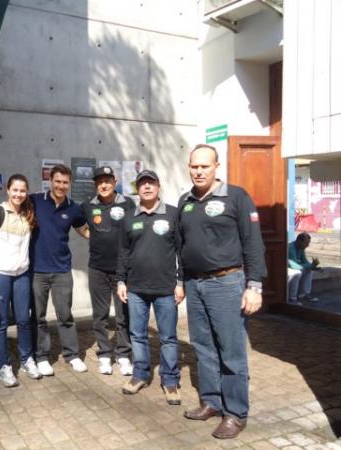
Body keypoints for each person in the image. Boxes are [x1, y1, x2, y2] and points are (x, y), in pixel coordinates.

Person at [178, 144, 267, 439]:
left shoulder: (237, 197)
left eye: (204, 166)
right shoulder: (185, 201)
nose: (198, 171)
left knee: (231, 352)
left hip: (226, 283)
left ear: (217, 166)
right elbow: (180, 246)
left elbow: (253, 243)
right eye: (194, 166)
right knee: (203, 347)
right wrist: (180, 281)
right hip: (194, 283)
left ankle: (235, 413)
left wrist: (254, 286)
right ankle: (212, 402)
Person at [116, 170, 184, 405]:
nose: (146, 187)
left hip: (166, 288)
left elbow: (182, 251)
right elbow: (123, 252)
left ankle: (170, 380)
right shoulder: (129, 217)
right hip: (135, 288)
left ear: (158, 186)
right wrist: (121, 281)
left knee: (168, 337)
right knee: (137, 335)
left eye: (151, 183)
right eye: (142, 184)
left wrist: (180, 282)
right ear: (137, 189)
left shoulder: (173, 214)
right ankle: (140, 375)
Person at [0, 174, 42, 387]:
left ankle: (27, 359)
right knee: (1, 323)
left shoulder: (28, 213)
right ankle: (4, 366)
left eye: (23, 190)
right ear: (8, 190)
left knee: (24, 320)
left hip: (22, 274)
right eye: (15, 190)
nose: (18, 194)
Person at [30, 164, 89, 375]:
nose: (61, 186)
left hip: (62, 270)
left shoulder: (74, 208)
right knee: (38, 317)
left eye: (65, 182)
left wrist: (106, 237)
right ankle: (41, 356)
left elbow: (84, 230)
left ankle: (72, 355)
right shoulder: (35, 201)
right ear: (50, 181)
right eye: (57, 181)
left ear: (69, 183)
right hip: (37, 270)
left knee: (65, 315)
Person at [80, 166, 134, 376]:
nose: (104, 185)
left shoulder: (127, 203)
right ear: (95, 184)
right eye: (100, 182)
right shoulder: (88, 206)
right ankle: (104, 354)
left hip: (122, 271)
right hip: (97, 269)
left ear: (115, 182)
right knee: (100, 315)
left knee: (123, 315)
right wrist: (92, 236)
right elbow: (79, 226)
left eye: (107, 181)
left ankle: (123, 354)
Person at [288, 232, 320, 303]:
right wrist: (311, 265)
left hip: (292, 267)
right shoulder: (290, 248)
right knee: (296, 273)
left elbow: (305, 261)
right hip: (284, 268)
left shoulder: (301, 248)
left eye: (308, 243)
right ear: (299, 241)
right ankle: (292, 298)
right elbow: (295, 266)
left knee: (309, 270)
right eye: (306, 243)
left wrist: (313, 266)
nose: (307, 245)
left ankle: (304, 295)